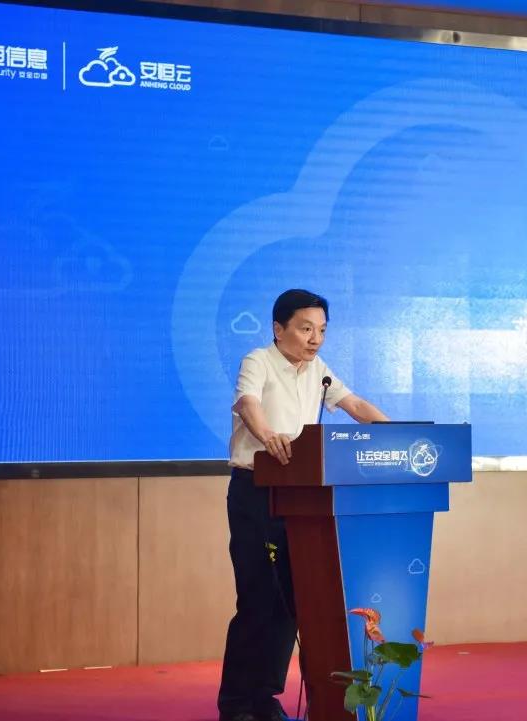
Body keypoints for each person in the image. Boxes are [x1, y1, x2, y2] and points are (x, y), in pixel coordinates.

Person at [218, 288, 389, 721]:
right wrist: (268, 436)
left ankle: (264, 699)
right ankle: (236, 704)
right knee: (257, 600)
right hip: (257, 491)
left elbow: (354, 404)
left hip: (301, 497)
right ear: (279, 329)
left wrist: (397, 431)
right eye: (306, 329)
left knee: (291, 603)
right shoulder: (258, 360)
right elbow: (248, 404)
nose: (316, 339)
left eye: (322, 331)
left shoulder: (319, 370)